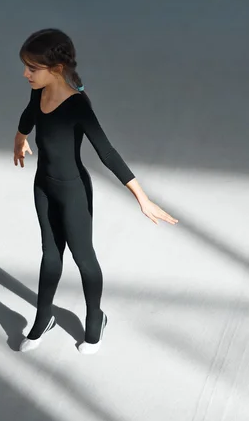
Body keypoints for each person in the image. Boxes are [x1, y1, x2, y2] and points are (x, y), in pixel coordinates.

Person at [13, 28, 178, 354]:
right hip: (43, 186)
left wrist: (142, 198)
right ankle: (43, 317)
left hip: (73, 191)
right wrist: (20, 138)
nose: (25, 74)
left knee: (84, 260)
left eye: (32, 68)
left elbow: (107, 152)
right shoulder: (38, 91)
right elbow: (29, 115)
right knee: (50, 256)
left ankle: (95, 318)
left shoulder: (77, 106)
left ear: (56, 69)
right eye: (26, 67)